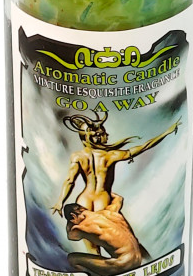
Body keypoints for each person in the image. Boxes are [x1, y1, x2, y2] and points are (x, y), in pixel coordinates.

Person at [51, 109, 180, 255]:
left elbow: (70, 180)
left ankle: (102, 270)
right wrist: (166, 133)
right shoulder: (110, 155)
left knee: (92, 248)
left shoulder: (78, 156)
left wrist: (60, 202)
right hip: (103, 200)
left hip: (83, 202)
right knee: (129, 242)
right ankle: (144, 264)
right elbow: (143, 147)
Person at [64, 195, 151, 276]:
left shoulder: (82, 227)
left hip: (125, 265)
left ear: (73, 216)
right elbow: (119, 198)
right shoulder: (110, 212)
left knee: (72, 259)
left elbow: (71, 236)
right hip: (139, 259)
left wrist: (70, 222)